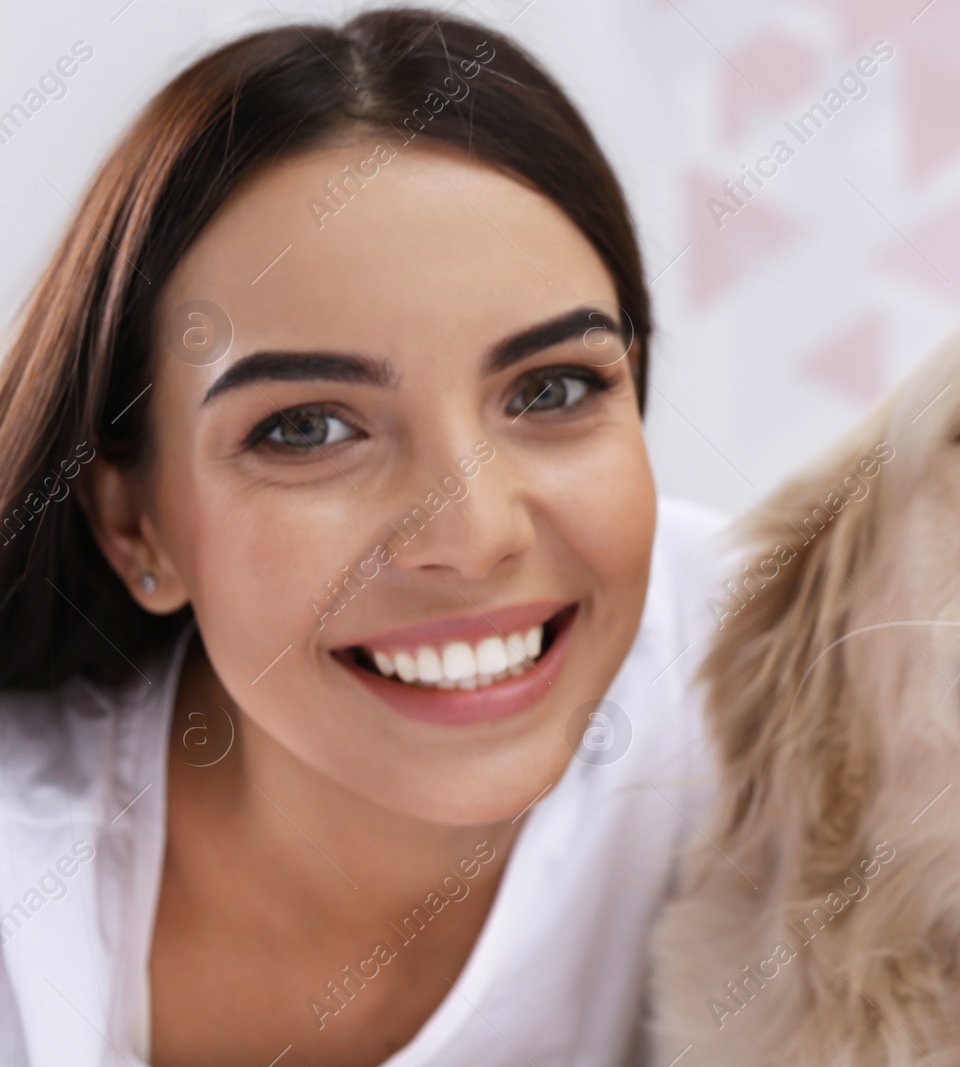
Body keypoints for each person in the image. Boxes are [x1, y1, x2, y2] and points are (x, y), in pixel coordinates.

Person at [0, 9, 724, 1065]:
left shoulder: (809, 677)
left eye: (555, 387)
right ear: (135, 524)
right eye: (306, 428)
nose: (473, 536)